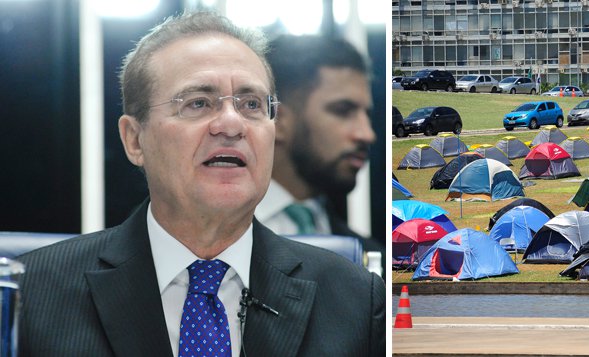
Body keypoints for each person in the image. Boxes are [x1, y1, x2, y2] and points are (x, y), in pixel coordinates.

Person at [16, 12, 385, 356]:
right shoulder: (29, 296)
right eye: (198, 103)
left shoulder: (355, 300)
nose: (231, 124)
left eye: (251, 104)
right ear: (134, 139)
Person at [254, 35, 375, 241]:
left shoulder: (366, 256)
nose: (367, 134)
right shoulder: (208, 249)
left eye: (367, 115)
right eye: (343, 111)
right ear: (277, 120)